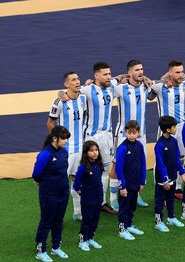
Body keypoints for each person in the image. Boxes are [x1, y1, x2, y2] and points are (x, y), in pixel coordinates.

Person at [151, 60, 185, 199]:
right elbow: (148, 89)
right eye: (177, 72)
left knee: (181, 158)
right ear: (169, 73)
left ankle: (176, 188)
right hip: (165, 129)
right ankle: (160, 188)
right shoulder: (160, 86)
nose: (180, 75)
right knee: (162, 160)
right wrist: (164, 79)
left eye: (182, 71)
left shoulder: (184, 85)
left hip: (181, 127)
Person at [110, 60, 151, 210]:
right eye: (137, 70)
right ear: (129, 73)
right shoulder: (121, 88)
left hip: (141, 134)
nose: (140, 72)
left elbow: (166, 80)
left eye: (142, 69)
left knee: (137, 164)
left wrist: (146, 79)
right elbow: (105, 85)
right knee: (116, 165)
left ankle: (136, 194)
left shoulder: (146, 87)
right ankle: (113, 198)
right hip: (122, 134)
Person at [80, 62, 119, 214]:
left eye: (109, 74)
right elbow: (68, 92)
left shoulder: (112, 86)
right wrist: (61, 95)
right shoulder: (88, 90)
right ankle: (86, 203)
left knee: (105, 170)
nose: (108, 77)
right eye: (105, 74)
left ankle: (101, 202)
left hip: (107, 136)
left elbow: (121, 78)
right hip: (92, 137)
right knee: (88, 171)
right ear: (96, 76)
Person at [47, 72, 86, 221]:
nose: (77, 82)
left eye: (78, 79)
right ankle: (56, 216)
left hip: (80, 148)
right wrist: (55, 143)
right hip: (65, 150)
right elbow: (50, 123)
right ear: (66, 84)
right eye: (73, 80)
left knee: (78, 181)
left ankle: (77, 212)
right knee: (60, 185)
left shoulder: (83, 97)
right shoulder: (59, 102)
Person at [32, 126, 71, 262]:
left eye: (67, 138)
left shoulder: (64, 152)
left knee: (59, 220)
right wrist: (42, 183)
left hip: (63, 192)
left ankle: (56, 247)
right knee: (46, 221)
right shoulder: (45, 154)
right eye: (64, 138)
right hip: (49, 194)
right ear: (55, 138)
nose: (66, 141)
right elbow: (36, 174)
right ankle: (40, 250)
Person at [153, 116, 185, 232]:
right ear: (168, 129)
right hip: (162, 179)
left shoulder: (174, 141)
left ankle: (171, 217)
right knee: (160, 201)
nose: (176, 128)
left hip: (173, 176)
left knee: (170, 198)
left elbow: (176, 159)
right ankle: (158, 222)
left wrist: (182, 172)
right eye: (174, 127)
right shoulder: (159, 145)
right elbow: (160, 164)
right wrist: (165, 180)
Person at [115, 120, 147, 240]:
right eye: (129, 132)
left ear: (139, 132)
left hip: (135, 183)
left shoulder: (139, 146)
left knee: (132, 206)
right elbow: (118, 168)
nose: (132, 135)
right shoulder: (122, 148)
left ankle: (129, 225)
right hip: (126, 185)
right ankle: (122, 229)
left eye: (134, 132)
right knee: (124, 207)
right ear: (125, 133)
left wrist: (142, 181)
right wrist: (122, 186)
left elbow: (143, 164)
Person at [73, 141, 104, 251]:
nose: (95, 153)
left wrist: (101, 196)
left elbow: (99, 182)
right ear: (86, 153)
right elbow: (76, 185)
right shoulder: (83, 167)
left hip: (98, 198)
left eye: (96, 150)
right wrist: (84, 194)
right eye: (91, 150)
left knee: (95, 219)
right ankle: (82, 240)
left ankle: (90, 238)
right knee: (87, 220)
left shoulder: (98, 165)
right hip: (87, 200)